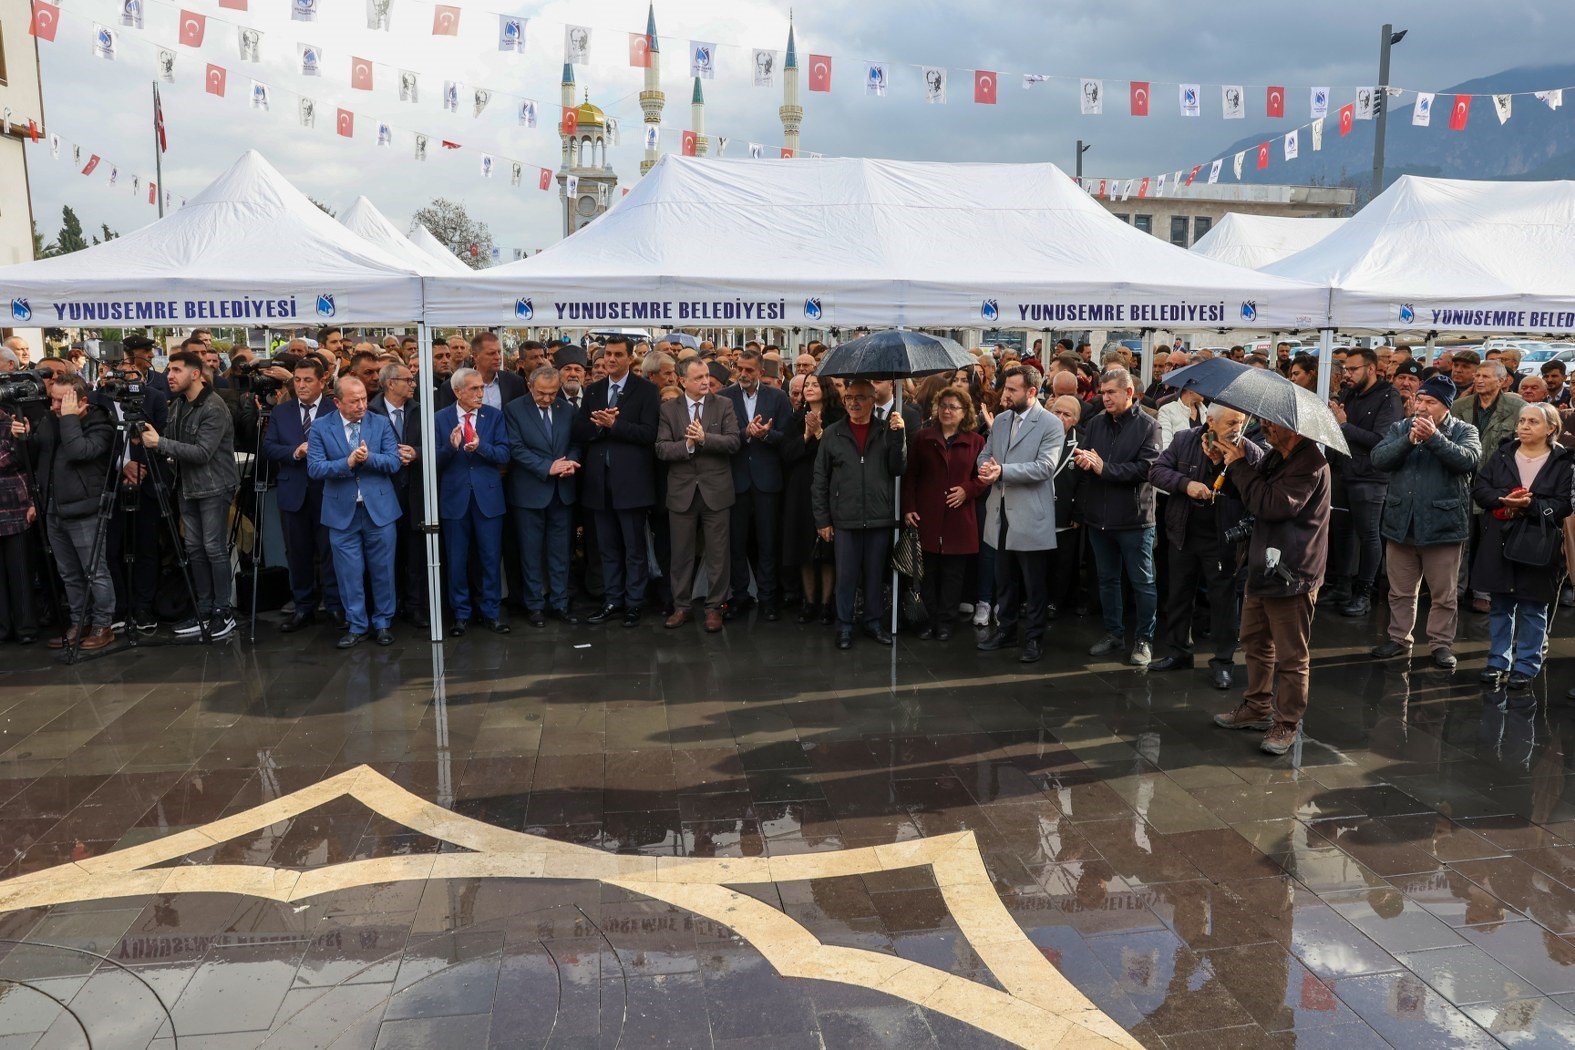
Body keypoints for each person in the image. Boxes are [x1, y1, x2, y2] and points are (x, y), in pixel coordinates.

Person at [1212, 417, 1331, 756]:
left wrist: (1239, 465)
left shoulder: (1310, 463)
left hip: (1292, 571)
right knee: (1255, 639)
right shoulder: (1277, 456)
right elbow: (1251, 496)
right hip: (1264, 563)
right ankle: (1256, 706)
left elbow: (1273, 505)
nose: (1265, 427)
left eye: (1272, 423)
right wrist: (1229, 464)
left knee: (1291, 654)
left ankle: (1287, 723)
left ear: (1294, 427)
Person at [1367, 378, 1481, 669]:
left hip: (1443, 526)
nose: (1421, 407)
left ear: (1446, 406)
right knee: (1400, 590)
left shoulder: (1464, 430)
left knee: (1444, 593)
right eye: (1419, 400)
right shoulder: (1400, 428)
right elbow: (1378, 458)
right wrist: (1408, 441)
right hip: (1401, 524)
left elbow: (1468, 461)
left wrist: (1434, 439)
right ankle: (1398, 637)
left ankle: (1441, 644)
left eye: (1430, 402)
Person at [1150, 403, 1262, 688]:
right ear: (1211, 421)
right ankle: (1178, 651)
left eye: (1241, 422)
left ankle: (1223, 662)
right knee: (1179, 594)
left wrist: (1230, 462)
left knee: (1223, 600)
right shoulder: (1185, 439)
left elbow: (1257, 489)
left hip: (1222, 536)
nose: (1237, 429)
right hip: (1184, 531)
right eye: (1231, 423)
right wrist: (1186, 484)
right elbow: (1157, 471)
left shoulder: (1248, 449)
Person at [1472, 403, 1573, 689]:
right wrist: (1504, 500)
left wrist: (1531, 505)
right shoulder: (1504, 453)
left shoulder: (1562, 461)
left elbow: (1564, 503)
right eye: (1522, 420)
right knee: (1501, 604)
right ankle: (1497, 661)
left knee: (1533, 606)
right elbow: (1481, 488)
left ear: (1551, 428)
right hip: (1500, 536)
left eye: (1533, 422)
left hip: (1538, 543)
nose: (1524, 426)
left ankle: (1527, 664)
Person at [140, 350, 240, 639]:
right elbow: (174, 440)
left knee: (213, 548)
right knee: (194, 549)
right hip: (187, 486)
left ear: (195, 374)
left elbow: (202, 453)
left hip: (214, 486)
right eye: (168, 370)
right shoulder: (179, 404)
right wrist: (152, 437)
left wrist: (159, 443)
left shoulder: (213, 407)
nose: (169, 375)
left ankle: (223, 611)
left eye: (176, 370)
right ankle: (204, 609)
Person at [975, 368, 1062, 663]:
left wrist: (1003, 471)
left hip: (1030, 515)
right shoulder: (1000, 420)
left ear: (1032, 392)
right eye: (1005, 388)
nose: (1005, 395)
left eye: (1012, 389)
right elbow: (986, 453)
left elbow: (1045, 467)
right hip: (999, 513)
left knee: (1033, 582)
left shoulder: (1050, 424)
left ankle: (1034, 638)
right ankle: (1007, 630)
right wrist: (985, 467)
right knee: (1004, 578)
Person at [308, 376, 402, 648]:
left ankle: (383, 622)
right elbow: (314, 468)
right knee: (349, 573)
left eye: (363, 398)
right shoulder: (320, 428)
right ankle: (357, 625)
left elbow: (394, 462)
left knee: (383, 570)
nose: (362, 405)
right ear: (337, 402)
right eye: (354, 401)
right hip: (341, 512)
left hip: (379, 511)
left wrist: (368, 458)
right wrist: (347, 462)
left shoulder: (380, 422)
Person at [1076, 367, 1161, 667]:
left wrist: (1104, 469)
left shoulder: (1149, 426)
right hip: (1099, 517)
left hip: (1134, 519)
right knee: (1107, 580)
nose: (1105, 397)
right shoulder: (1097, 422)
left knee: (1142, 582)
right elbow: (1090, 455)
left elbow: (1147, 469)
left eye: (1111, 392)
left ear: (1129, 393)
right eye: (1102, 392)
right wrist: (1084, 460)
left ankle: (1144, 639)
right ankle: (1114, 632)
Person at [573, 335, 660, 627]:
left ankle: (634, 603)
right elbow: (582, 430)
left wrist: (616, 425)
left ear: (629, 358)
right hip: (599, 483)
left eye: (617, 355)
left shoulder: (646, 391)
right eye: (607, 354)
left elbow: (649, 434)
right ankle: (613, 599)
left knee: (633, 548)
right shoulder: (594, 390)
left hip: (631, 483)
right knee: (606, 547)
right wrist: (599, 428)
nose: (610, 359)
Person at [813, 379, 906, 650]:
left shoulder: (885, 430)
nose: (854, 402)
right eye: (849, 397)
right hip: (845, 517)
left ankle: (873, 622)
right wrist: (823, 519)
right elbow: (820, 479)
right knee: (846, 576)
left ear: (872, 400)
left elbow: (898, 468)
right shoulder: (833, 433)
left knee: (876, 574)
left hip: (878, 515)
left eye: (860, 397)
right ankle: (844, 625)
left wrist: (899, 436)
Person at [23, 376, 115, 650]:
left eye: (61, 401)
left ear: (81, 401)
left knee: (94, 571)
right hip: (53, 508)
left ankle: (103, 625)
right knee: (69, 573)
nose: (53, 406)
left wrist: (69, 419)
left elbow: (78, 451)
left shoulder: (101, 425)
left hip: (84, 508)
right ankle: (80, 621)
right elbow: (37, 458)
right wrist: (24, 438)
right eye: (52, 399)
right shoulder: (51, 420)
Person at [657, 359, 741, 631]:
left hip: (716, 491)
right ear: (682, 381)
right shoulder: (669, 409)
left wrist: (705, 439)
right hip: (682, 492)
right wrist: (688, 445)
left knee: (718, 554)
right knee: (681, 554)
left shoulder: (724, 404)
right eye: (698, 378)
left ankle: (715, 608)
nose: (705, 381)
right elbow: (661, 449)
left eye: (706, 376)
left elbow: (733, 441)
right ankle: (681, 606)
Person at [262, 356, 344, 633]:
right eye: (297, 380)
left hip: (327, 491)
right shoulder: (281, 412)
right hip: (293, 490)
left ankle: (334, 606)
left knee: (330, 551)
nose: (301, 385)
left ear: (323, 381)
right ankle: (303, 607)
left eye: (308, 380)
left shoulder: (335, 410)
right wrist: (295, 451)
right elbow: (269, 447)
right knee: (297, 553)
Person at [903, 388, 986, 642]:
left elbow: (983, 477)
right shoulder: (922, 438)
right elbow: (910, 477)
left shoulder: (976, 441)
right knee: (927, 573)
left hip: (959, 517)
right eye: (943, 406)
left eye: (953, 407)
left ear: (964, 413)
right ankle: (927, 620)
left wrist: (967, 490)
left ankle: (946, 622)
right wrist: (909, 507)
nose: (947, 411)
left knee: (953, 575)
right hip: (927, 515)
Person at [1328, 348, 1406, 617]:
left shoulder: (1389, 396)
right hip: (1342, 470)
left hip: (1370, 476)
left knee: (1368, 534)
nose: (1347, 374)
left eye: (1352, 369)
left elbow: (1382, 440)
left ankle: (1364, 592)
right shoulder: (1349, 393)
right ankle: (1342, 586)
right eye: (1345, 369)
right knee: (1341, 532)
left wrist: (1344, 425)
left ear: (1371, 369)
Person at [503, 365, 582, 627]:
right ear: (530, 386)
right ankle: (534, 604)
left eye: (552, 393)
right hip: (529, 492)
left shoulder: (566, 409)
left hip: (562, 492)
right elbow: (515, 447)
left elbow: (575, 442)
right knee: (530, 552)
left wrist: (571, 462)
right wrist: (547, 467)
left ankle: (560, 602)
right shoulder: (514, 409)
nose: (548, 399)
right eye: (542, 393)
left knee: (560, 552)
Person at [435, 368, 511, 636]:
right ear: (458, 392)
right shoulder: (440, 419)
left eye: (482, 388)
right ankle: (461, 614)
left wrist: (480, 447)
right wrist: (450, 447)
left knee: (491, 558)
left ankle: (491, 612)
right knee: (456, 559)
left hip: (488, 498)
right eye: (474, 389)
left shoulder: (494, 416)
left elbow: (504, 453)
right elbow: (434, 462)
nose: (481, 393)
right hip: (455, 499)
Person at [721, 349, 792, 620]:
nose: (743, 374)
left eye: (750, 370)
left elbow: (786, 438)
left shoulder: (777, 397)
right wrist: (744, 433)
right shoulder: (725, 397)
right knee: (736, 543)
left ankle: (767, 598)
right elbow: (721, 436)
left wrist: (765, 435)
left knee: (767, 542)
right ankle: (740, 595)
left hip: (766, 482)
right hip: (736, 481)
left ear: (762, 372)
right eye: (740, 368)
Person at [1451, 361, 1527, 614]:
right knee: (1460, 539)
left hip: (1497, 484)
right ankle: (1456, 590)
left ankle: (1483, 592)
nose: (1478, 379)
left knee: (1490, 541)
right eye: (1477, 375)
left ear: (1502, 381)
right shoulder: (1460, 406)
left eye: (1485, 376)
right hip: (1462, 480)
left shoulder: (1517, 407)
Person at [367, 361, 427, 627]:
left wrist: (417, 453)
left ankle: (414, 606)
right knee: (385, 555)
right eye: (408, 380)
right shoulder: (370, 411)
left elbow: (433, 444)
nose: (413, 384)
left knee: (415, 553)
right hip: (383, 493)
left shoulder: (420, 410)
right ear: (391, 384)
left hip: (414, 492)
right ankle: (389, 607)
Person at [782, 375, 841, 625]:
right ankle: (809, 602)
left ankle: (827, 604)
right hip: (800, 489)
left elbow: (837, 453)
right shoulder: (795, 418)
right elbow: (785, 454)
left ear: (825, 388)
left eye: (814, 384)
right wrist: (806, 435)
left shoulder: (838, 417)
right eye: (806, 385)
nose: (809, 388)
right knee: (803, 548)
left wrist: (818, 433)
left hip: (828, 488)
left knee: (827, 551)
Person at [438, 332, 524, 409]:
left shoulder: (515, 382)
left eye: (499, 352)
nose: (498, 357)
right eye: (491, 353)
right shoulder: (453, 385)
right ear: (475, 356)